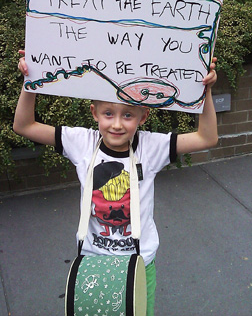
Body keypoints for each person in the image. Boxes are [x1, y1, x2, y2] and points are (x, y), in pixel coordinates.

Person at [14, 50, 218, 316]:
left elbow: (207, 138)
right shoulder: (82, 143)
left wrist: (206, 91)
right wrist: (30, 81)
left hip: (140, 263)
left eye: (128, 115)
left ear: (143, 116)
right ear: (94, 113)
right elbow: (24, 125)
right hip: (93, 261)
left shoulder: (151, 147)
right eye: (108, 113)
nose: (117, 125)